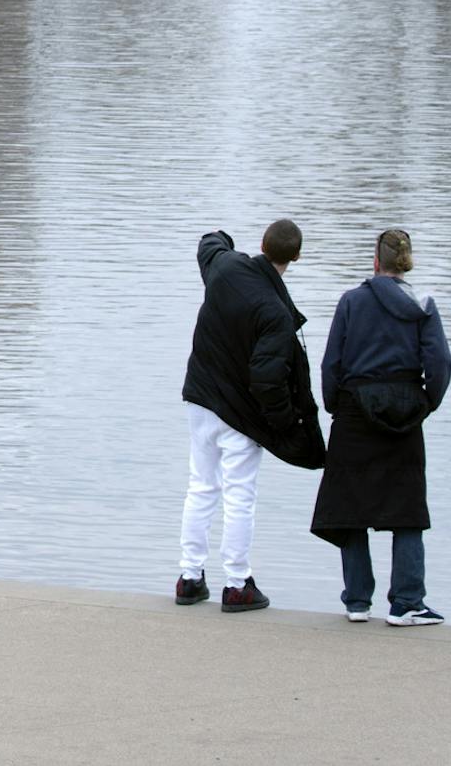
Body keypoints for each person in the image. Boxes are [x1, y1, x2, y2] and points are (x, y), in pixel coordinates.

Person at [176, 221, 325, 613]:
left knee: (201, 486)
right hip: (239, 414)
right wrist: (280, 425)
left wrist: (222, 237)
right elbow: (267, 378)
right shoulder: (275, 312)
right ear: (296, 257)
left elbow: (209, 243)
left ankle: (189, 577)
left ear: (261, 244)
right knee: (239, 495)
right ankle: (237, 584)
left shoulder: (224, 269)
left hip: (199, 399)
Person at [310, 228, 451, 626]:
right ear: (407, 263)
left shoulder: (352, 301)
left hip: (355, 410)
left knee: (350, 507)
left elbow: (330, 363)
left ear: (376, 261)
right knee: (406, 508)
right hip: (405, 413)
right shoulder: (423, 304)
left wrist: (336, 404)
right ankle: (407, 601)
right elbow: (440, 362)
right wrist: (426, 402)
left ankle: (357, 600)